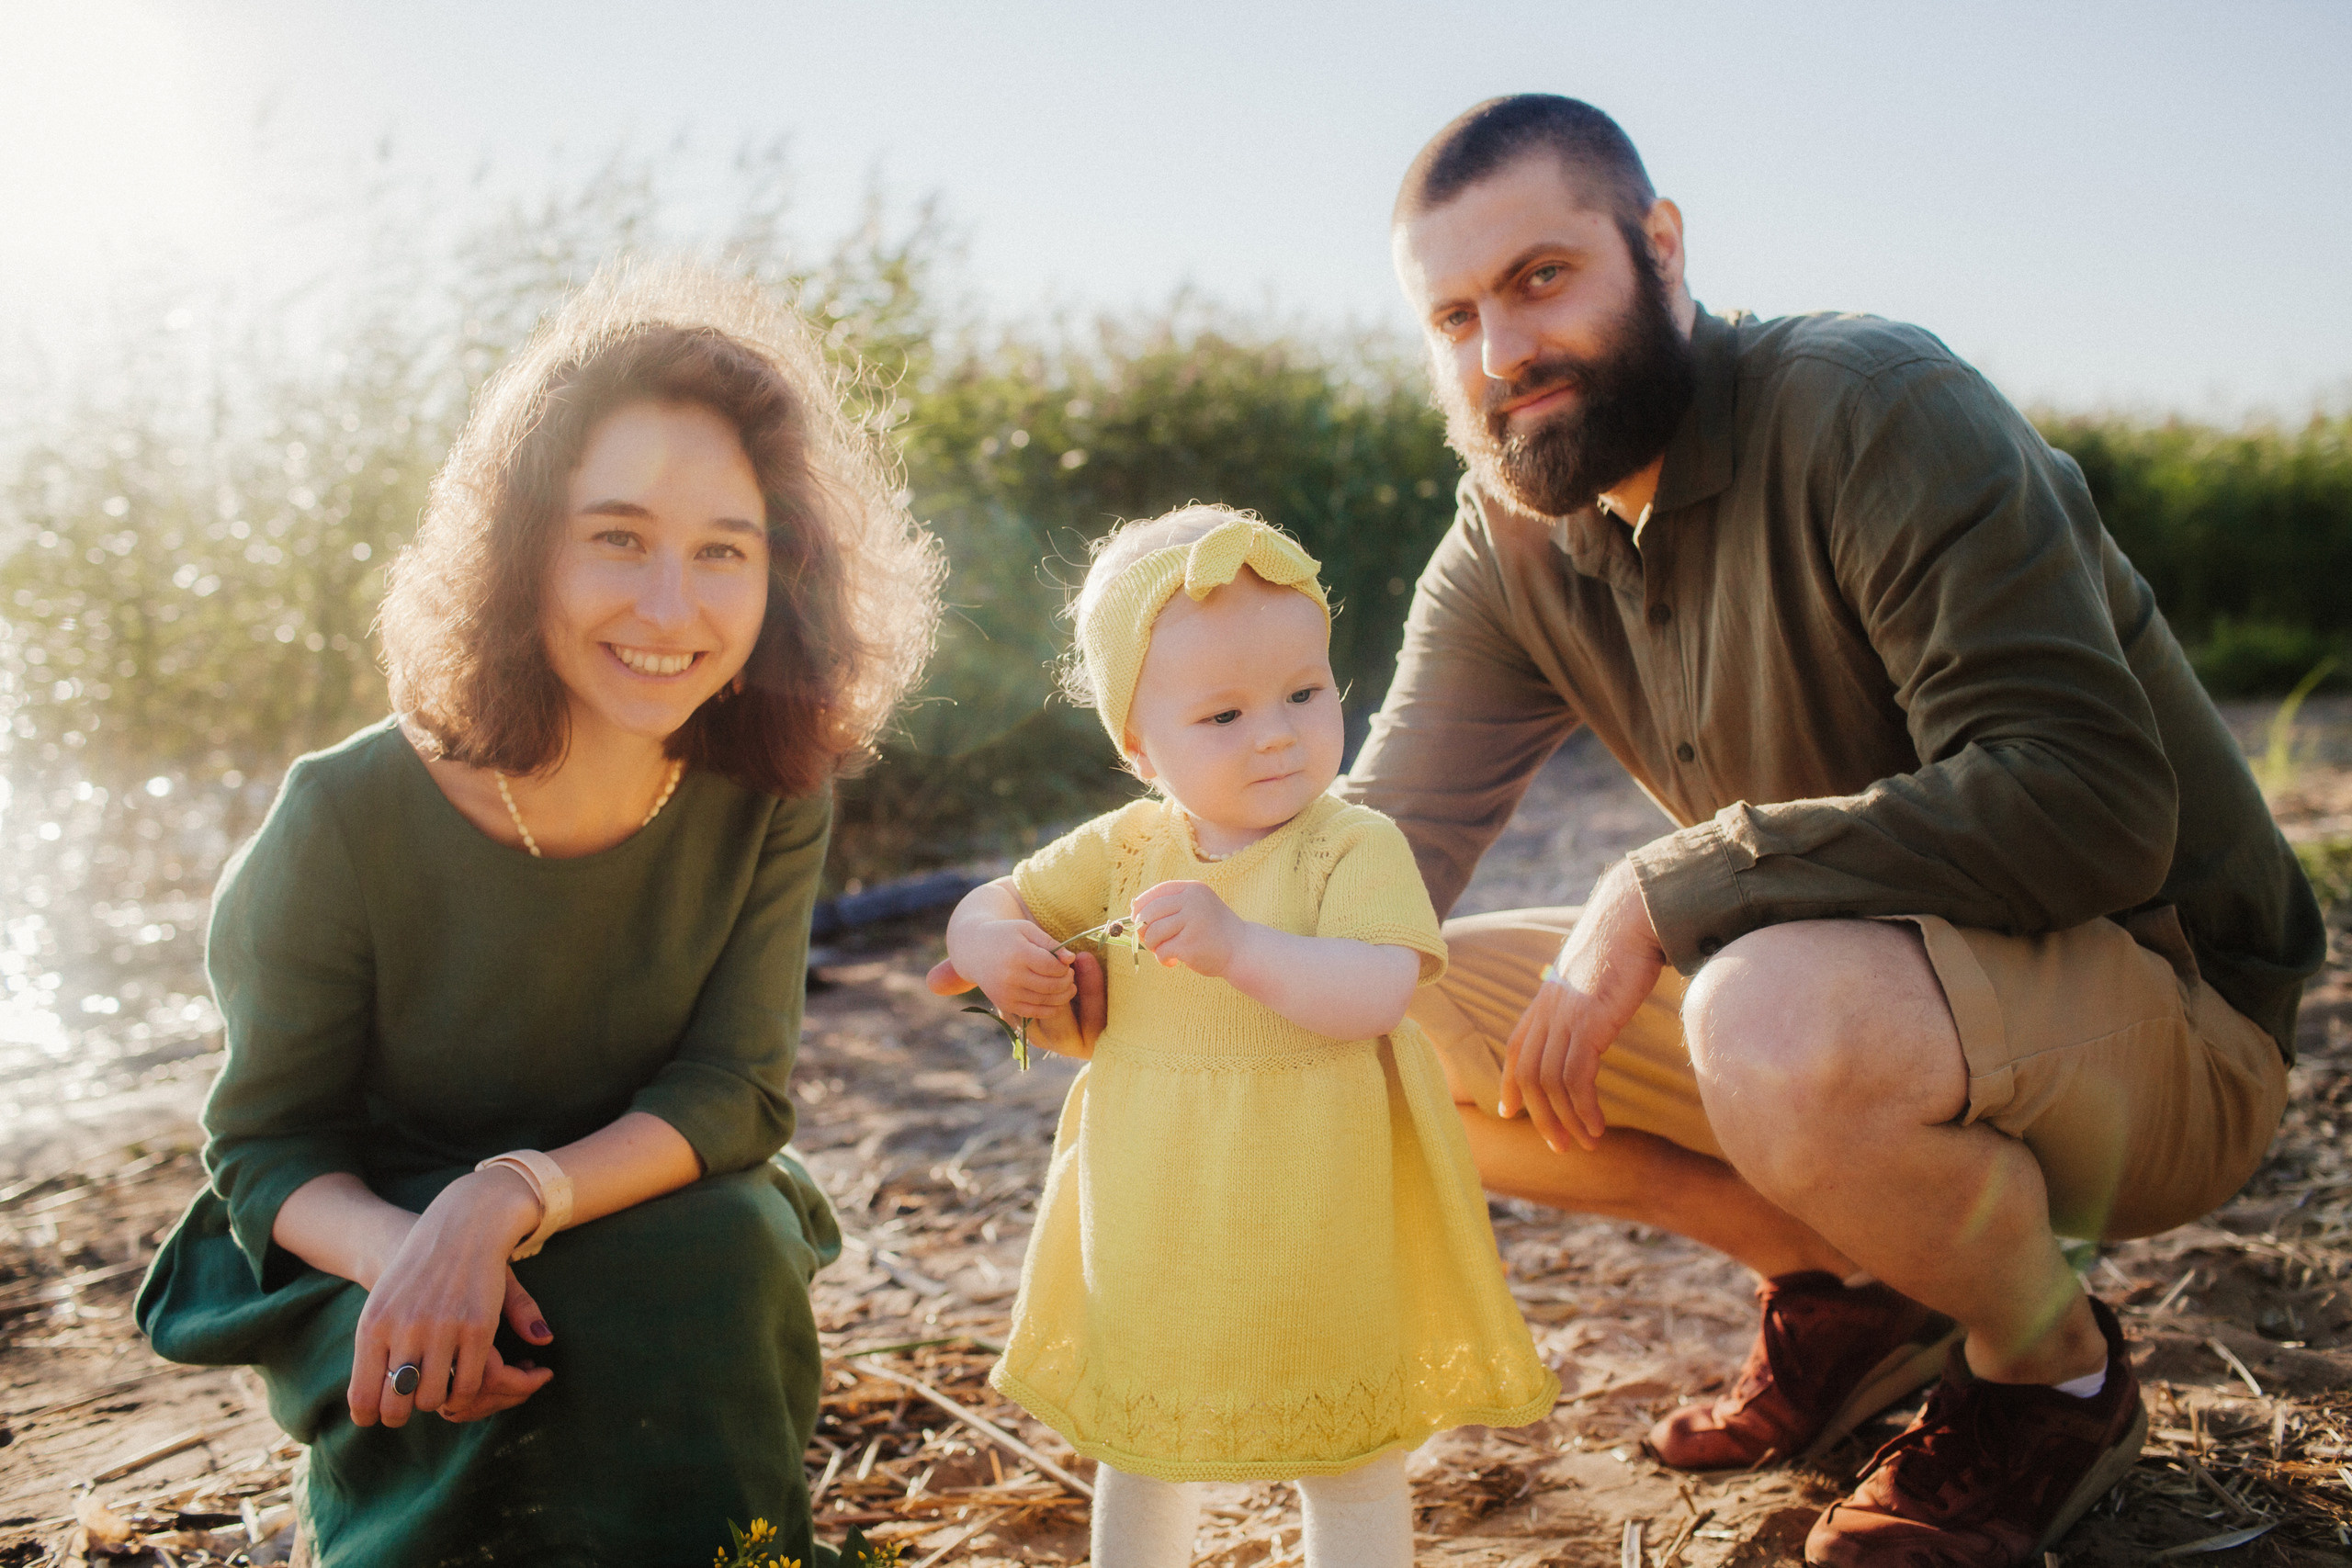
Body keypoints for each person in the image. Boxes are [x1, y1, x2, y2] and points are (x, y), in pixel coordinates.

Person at [1334, 95, 2325, 1567]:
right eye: (1454, 313)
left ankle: (2049, 1369)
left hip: (2162, 1016)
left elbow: (2093, 799)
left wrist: (1674, 879)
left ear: (1659, 248)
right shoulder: (1511, 537)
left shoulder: (1874, 405)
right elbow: (1366, 859)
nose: (1501, 354)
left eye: (1543, 278)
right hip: (1859, 1006)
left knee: (1769, 1011)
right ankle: (1847, 1293)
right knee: (1369, 1013)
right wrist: (1119, 933)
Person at [134, 263, 942, 1567]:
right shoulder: (341, 813)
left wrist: (505, 1196)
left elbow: (738, 1089)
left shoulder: (768, 789)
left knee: (724, 1249)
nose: (670, 609)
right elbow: (268, 1148)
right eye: (616, 536)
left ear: (780, 575)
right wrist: (423, 1245)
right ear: (523, 547)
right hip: (368, 1230)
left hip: (632, 1193)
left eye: (722, 551)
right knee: (498, 1325)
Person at [941, 507, 1557, 1568]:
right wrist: (998, 949)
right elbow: (986, 906)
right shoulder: (1127, 847)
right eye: (1222, 715)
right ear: (1140, 746)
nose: (1276, 733)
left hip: (1319, 1202)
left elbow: (1376, 990)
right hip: (1157, 1203)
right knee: (1144, 1436)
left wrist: (1241, 949)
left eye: (1304, 694)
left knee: (1345, 1444)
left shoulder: (1350, 844)